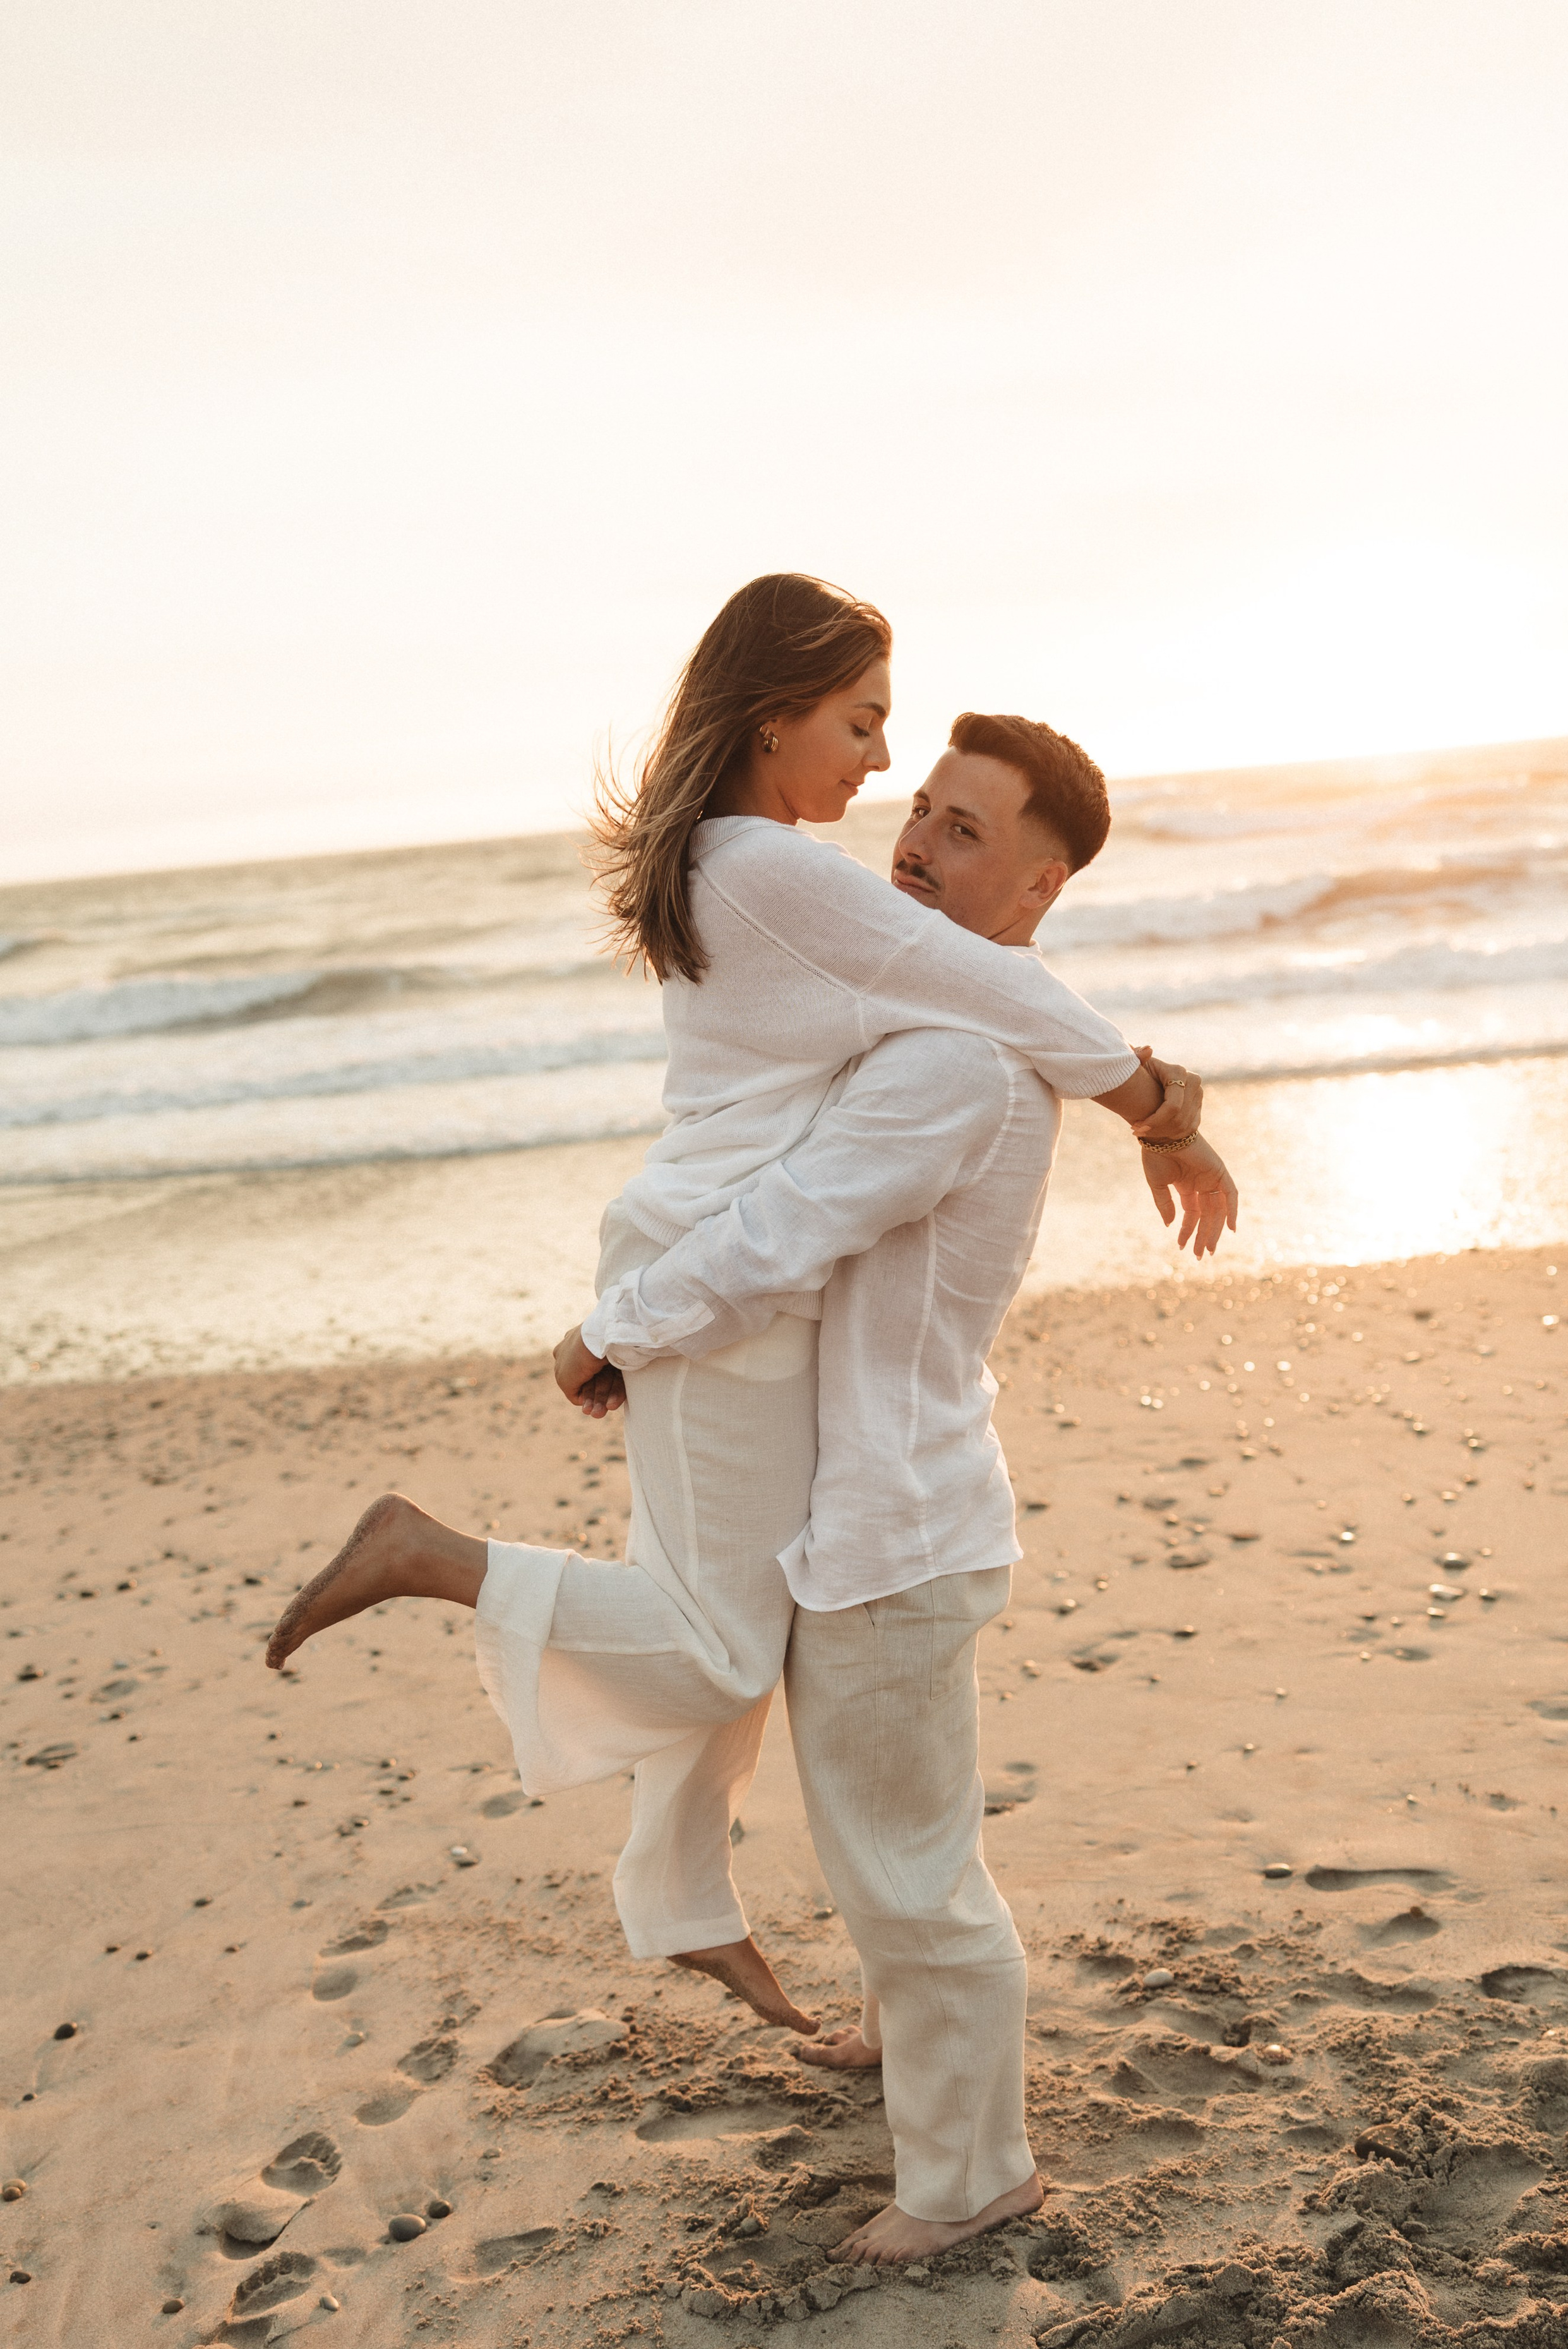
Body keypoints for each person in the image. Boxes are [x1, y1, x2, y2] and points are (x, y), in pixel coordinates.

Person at [264, 574, 1233, 2039]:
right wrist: (1162, 1107)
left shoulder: (735, 861)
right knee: (719, 1643)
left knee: (727, 1620)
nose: (878, 764)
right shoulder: (775, 870)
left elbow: (955, 995)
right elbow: (994, 991)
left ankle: (686, 1908)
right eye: (858, 723)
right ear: (773, 714)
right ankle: (425, 1554)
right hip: (714, 1276)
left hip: (692, 1254)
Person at [553, 712, 1236, 2262]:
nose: (917, 842)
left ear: (1039, 889)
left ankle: (968, 2176)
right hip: (885, 1510)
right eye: (918, 807)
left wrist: (618, 1325)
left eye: (967, 829)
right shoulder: (930, 1036)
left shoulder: (946, 1066)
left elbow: (784, 1227)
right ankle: (905, 2042)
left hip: (891, 1530)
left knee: (912, 1880)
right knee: (890, 1838)